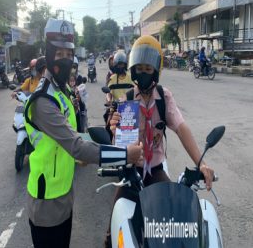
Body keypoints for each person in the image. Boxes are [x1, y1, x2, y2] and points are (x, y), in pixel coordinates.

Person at [24, 18, 143, 248]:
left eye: (68, 54)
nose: (65, 60)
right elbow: (76, 144)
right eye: (59, 54)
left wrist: (79, 155)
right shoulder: (43, 100)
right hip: (46, 200)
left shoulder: (62, 90)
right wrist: (124, 154)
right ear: (48, 54)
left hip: (64, 194)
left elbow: (69, 137)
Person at [106, 35, 215, 247]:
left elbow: (181, 128)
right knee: (114, 229)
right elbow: (118, 145)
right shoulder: (127, 99)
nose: (143, 73)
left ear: (156, 69)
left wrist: (201, 163)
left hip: (155, 170)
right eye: (140, 68)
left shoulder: (164, 98)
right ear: (133, 69)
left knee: (174, 221)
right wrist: (114, 129)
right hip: (130, 172)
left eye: (148, 68)